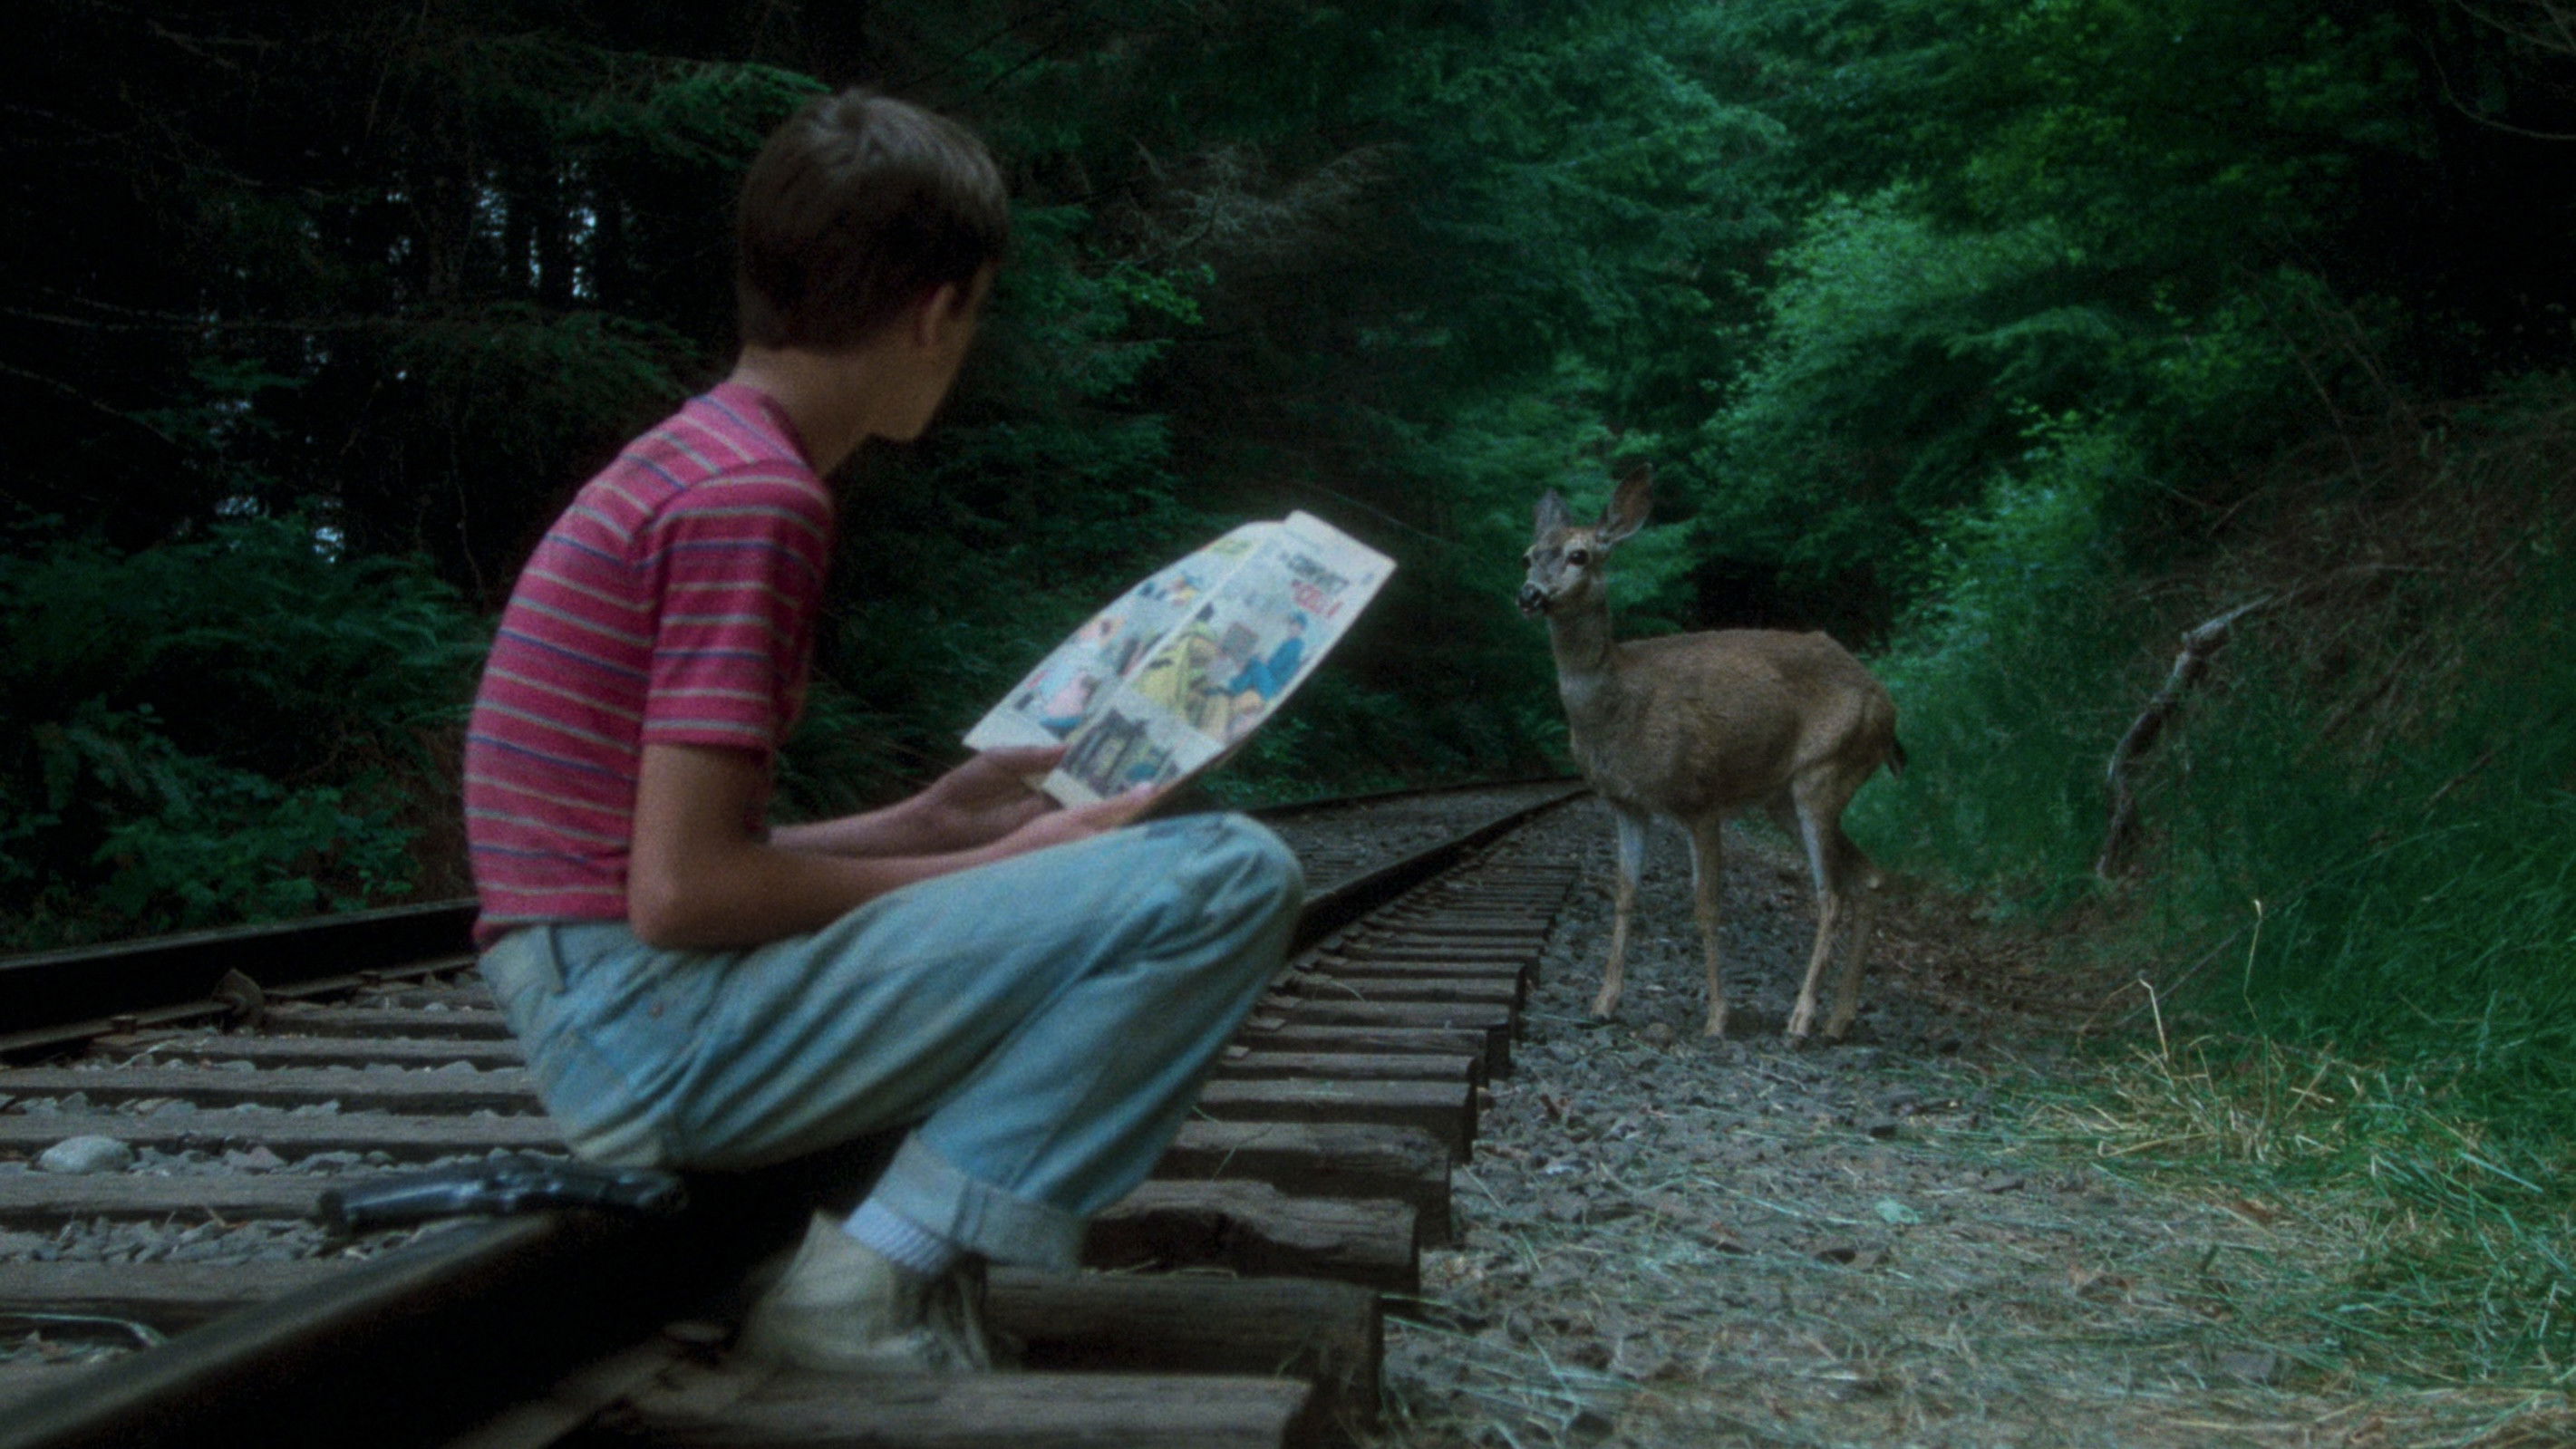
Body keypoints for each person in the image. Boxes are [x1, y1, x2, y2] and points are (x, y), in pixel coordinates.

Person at [459, 88, 1303, 1376]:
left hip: (600, 1005)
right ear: (938, 311)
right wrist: (999, 864)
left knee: (1148, 874)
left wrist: (924, 824)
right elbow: (680, 898)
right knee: (1229, 876)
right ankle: (864, 1283)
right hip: (644, 1036)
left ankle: (878, 1262)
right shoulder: (757, 499)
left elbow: (640, 869)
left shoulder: (695, 460)